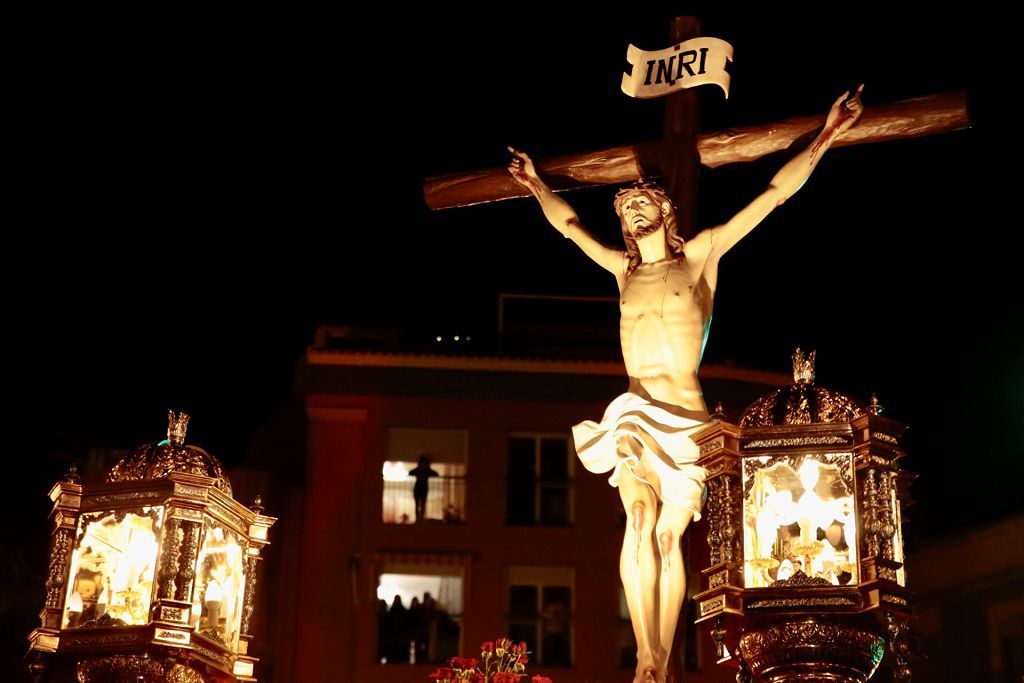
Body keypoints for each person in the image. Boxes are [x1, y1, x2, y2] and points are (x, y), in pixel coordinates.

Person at [507, 86, 864, 683]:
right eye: (624, 212)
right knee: (638, 521)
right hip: (632, 412)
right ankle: (646, 659)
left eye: (642, 205)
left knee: (670, 538)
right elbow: (569, 227)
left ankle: (662, 657)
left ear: (665, 211)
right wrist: (538, 186)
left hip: (685, 418)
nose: (632, 214)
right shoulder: (623, 270)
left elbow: (772, 197)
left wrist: (829, 134)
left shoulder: (698, 258)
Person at [408, 455, 439, 523]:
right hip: (418, 488)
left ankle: (420, 518)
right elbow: (410, 472)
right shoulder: (419, 470)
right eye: (422, 463)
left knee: (422, 504)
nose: (423, 465)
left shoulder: (426, 471)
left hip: (423, 488)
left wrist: (424, 475)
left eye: (424, 463)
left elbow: (436, 474)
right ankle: (417, 519)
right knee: (417, 504)